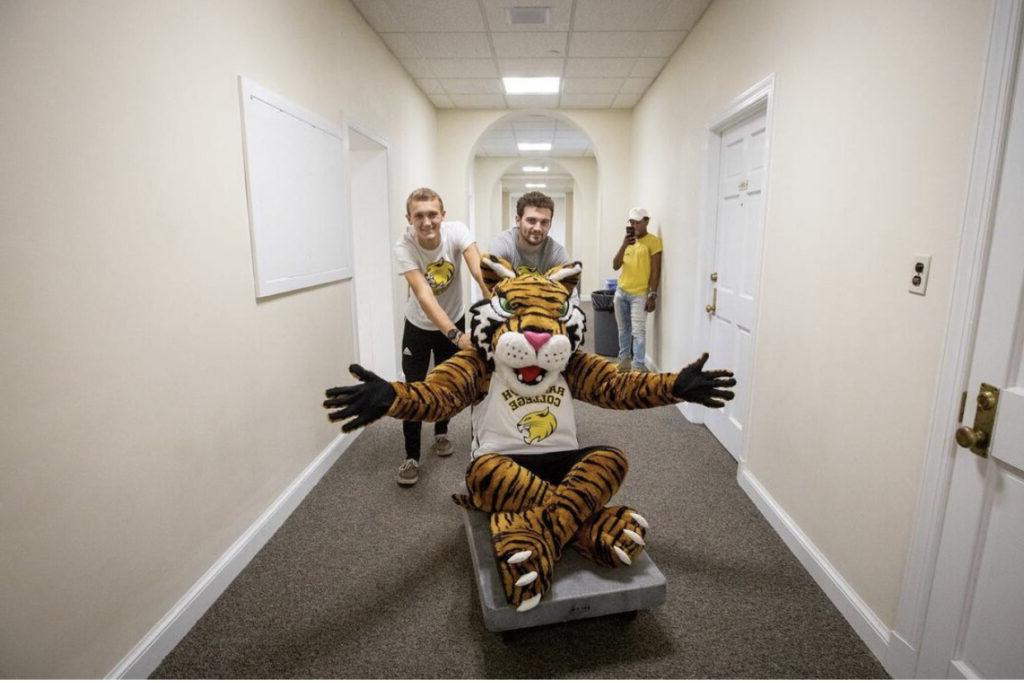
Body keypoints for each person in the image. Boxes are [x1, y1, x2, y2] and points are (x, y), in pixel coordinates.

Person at [392, 187, 487, 486]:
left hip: (454, 317)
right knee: (415, 389)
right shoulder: (404, 246)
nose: (427, 222)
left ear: (442, 216)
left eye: (432, 214)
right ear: (409, 218)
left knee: (447, 385)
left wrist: (499, 307)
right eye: (418, 216)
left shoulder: (457, 232)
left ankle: (441, 433)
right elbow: (423, 295)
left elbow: (480, 272)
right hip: (419, 326)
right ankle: (411, 457)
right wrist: (457, 336)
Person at [611, 207, 662, 372]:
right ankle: (624, 360)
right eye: (631, 222)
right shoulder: (628, 241)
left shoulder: (653, 242)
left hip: (639, 295)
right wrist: (624, 244)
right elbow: (615, 265)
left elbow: (656, 271)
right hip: (621, 292)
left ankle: (638, 366)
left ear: (646, 221)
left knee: (638, 332)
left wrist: (652, 295)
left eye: (637, 222)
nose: (634, 225)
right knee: (623, 330)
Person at [488, 191, 571, 277]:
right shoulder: (502, 245)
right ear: (518, 221)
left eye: (544, 222)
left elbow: (569, 289)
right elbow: (489, 286)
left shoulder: (557, 253)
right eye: (531, 220)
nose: (537, 228)